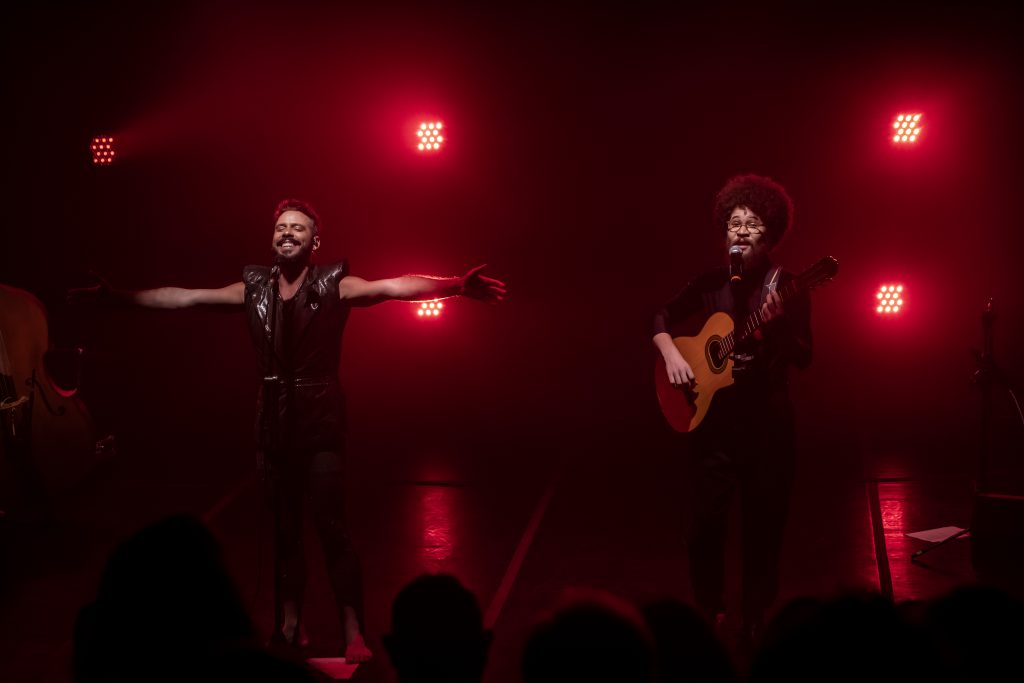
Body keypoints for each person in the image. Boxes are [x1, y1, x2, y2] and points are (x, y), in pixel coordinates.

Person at [71, 199, 507, 662]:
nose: (288, 233)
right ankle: (290, 622)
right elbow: (185, 296)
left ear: (314, 241)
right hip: (272, 419)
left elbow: (396, 286)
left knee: (331, 527)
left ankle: (352, 627)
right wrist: (118, 297)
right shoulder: (253, 288)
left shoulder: (335, 284)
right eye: (281, 227)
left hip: (319, 419)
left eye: (298, 228)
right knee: (283, 531)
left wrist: (457, 285)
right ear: (271, 238)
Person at [652, 174, 812, 647]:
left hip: (768, 428)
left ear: (772, 233)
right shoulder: (708, 284)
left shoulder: (791, 288)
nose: (741, 230)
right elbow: (657, 317)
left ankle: (757, 616)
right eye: (733, 222)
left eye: (753, 222)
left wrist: (778, 329)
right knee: (704, 527)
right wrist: (673, 354)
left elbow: (805, 356)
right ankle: (708, 608)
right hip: (714, 429)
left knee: (764, 527)